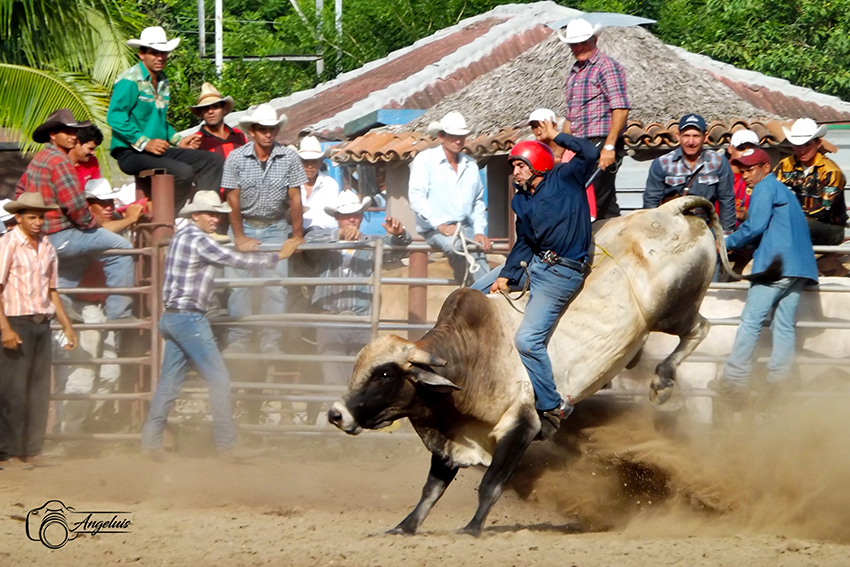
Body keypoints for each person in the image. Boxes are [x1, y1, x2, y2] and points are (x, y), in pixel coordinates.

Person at [140, 191, 302, 462]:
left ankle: (150, 442)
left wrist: (240, 244)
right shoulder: (198, 240)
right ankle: (227, 445)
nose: (215, 219)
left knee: (169, 382)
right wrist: (279, 256)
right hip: (189, 317)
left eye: (217, 214)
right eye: (210, 214)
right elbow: (235, 261)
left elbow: (226, 252)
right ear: (196, 215)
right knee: (219, 378)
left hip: (173, 316)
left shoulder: (182, 236)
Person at [483, 119, 599, 436]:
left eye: (521, 165)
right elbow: (524, 242)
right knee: (475, 294)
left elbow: (589, 152)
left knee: (527, 340)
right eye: (514, 166)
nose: (515, 172)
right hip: (534, 263)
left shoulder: (567, 177)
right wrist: (506, 276)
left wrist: (554, 137)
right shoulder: (520, 200)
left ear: (538, 165)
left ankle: (551, 405)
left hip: (562, 272)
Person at [708, 149, 818, 402]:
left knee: (751, 319)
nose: (745, 175)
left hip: (776, 265)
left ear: (765, 168)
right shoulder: (782, 190)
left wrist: (726, 242)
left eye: (750, 169)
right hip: (799, 266)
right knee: (783, 325)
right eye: (742, 170)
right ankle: (778, 382)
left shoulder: (764, 188)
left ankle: (734, 379)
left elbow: (754, 226)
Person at [15, 109, 136, 322]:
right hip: (62, 233)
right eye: (67, 132)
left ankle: (59, 310)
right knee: (123, 250)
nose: (72, 136)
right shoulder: (61, 162)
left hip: (45, 236)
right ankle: (120, 317)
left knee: (76, 263)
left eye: (74, 132)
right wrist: (93, 222)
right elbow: (75, 207)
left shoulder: (39, 159)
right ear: (53, 135)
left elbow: (19, 192)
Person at [52, 179, 145, 443]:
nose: (108, 207)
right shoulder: (78, 231)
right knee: (80, 376)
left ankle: (75, 429)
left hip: (96, 307)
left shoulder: (91, 231)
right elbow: (102, 231)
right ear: (86, 206)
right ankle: (68, 436)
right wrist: (129, 219)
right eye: (101, 203)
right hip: (78, 309)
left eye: (110, 203)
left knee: (108, 373)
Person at [107, 26, 223, 211]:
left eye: (163, 53)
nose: (160, 57)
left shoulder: (163, 81)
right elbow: (115, 116)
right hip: (130, 153)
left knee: (212, 160)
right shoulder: (129, 80)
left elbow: (158, 120)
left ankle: (203, 212)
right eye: (154, 53)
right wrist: (145, 143)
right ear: (141, 54)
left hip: (157, 151)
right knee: (183, 172)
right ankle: (170, 219)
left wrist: (178, 140)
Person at [221, 103, 307, 354]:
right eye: (263, 129)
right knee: (238, 286)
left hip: (275, 225)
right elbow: (232, 198)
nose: (268, 134)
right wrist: (239, 236)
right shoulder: (236, 157)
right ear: (253, 131)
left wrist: (297, 235)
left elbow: (295, 197)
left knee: (275, 285)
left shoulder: (289, 156)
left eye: (271, 129)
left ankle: (270, 340)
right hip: (245, 223)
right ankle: (240, 338)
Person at [0, 193, 78, 470]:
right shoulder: (7, 244)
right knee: (13, 390)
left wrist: (67, 325)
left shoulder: (46, 247)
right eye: (31, 216)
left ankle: (31, 450)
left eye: (40, 216)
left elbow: (52, 290)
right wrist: (4, 328)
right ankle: (7, 453)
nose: (37, 222)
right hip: (16, 321)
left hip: (41, 322)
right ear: (18, 217)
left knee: (38, 389)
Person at [305, 191, 411, 389]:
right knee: (333, 380)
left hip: (362, 322)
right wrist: (338, 235)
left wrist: (399, 234)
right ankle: (337, 418)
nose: (351, 219)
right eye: (345, 215)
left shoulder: (373, 242)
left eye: (355, 214)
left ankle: (354, 418)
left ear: (361, 216)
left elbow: (399, 249)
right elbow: (307, 240)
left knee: (361, 380)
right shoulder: (325, 241)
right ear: (337, 218)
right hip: (330, 320)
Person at [408, 111, 491, 285]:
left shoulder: (471, 165)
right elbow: (416, 196)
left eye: (461, 136)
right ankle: (468, 284)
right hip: (435, 228)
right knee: (454, 246)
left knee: (477, 249)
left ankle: (485, 293)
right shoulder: (425, 160)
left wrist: (479, 231)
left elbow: (477, 201)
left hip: (465, 226)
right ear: (441, 136)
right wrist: (440, 225)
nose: (458, 140)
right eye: (453, 136)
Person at [559, 17, 630, 220]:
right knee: (602, 202)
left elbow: (621, 108)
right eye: (574, 43)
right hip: (579, 144)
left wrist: (608, 147)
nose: (579, 47)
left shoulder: (606, 67)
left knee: (586, 196)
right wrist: (559, 151)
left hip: (600, 141)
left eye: (584, 42)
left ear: (594, 40)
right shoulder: (574, 73)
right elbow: (570, 118)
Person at [643, 113, 736, 232]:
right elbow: (651, 202)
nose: (690, 142)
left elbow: (727, 200)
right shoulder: (662, 164)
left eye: (696, 136)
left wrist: (725, 235)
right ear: (678, 136)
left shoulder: (719, 162)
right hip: (671, 228)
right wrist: (654, 231)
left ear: (705, 137)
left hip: (706, 229)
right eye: (686, 136)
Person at [774, 118, 847, 245]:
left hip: (829, 228)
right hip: (790, 221)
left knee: (805, 226)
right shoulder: (784, 165)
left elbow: (823, 210)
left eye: (807, 145)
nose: (802, 151)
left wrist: (787, 217)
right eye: (797, 145)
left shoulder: (831, 172)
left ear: (818, 143)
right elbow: (772, 190)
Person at [529, 108, 597, 220]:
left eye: (541, 125)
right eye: (534, 127)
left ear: (554, 126)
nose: (538, 131)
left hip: (575, 210)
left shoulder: (570, 152)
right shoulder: (534, 152)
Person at [191, 82, 247, 160]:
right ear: (201, 112)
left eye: (215, 106)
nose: (210, 111)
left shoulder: (238, 135)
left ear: (224, 109)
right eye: (205, 108)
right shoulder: (196, 141)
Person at [298, 136, 339, 231]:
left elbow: (330, 219)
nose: (309, 166)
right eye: (305, 161)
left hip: (319, 235)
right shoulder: (290, 183)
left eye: (313, 161)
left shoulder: (329, 184)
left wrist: (311, 229)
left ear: (320, 162)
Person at [727, 129, 760, 226]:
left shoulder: (760, 177)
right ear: (730, 149)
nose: (746, 153)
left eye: (751, 149)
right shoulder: (718, 174)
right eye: (741, 148)